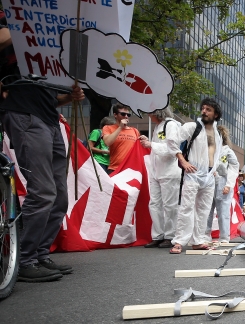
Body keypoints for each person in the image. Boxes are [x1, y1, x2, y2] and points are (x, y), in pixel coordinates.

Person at [0, 17, 84, 282]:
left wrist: (69, 97)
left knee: (59, 196)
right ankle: (24, 260)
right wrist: (29, 25)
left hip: (49, 120)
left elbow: (49, 96)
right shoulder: (12, 17)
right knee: (44, 191)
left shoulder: (46, 52)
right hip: (24, 115)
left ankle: (39, 254)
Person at [168, 98, 223, 254]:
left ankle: (197, 240)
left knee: (204, 210)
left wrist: (214, 171)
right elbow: (172, 141)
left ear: (216, 114)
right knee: (186, 207)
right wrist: (183, 161)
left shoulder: (218, 134)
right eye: (203, 108)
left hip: (209, 176)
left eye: (208, 109)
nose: (204, 111)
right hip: (193, 173)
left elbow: (216, 155)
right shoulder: (193, 127)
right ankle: (179, 241)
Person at [138, 108, 181, 249]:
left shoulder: (171, 125)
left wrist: (151, 144)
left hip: (169, 171)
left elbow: (172, 149)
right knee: (155, 204)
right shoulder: (158, 127)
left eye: (150, 112)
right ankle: (158, 235)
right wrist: (149, 142)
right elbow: (160, 147)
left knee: (170, 205)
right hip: (156, 171)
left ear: (158, 112)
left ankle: (170, 235)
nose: (148, 115)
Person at [207, 126, 239, 243]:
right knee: (207, 211)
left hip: (223, 184)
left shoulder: (227, 151)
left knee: (223, 211)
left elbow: (234, 168)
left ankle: (224, 237)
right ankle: (205, 235)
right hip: (209, 184)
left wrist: (229, 184)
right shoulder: (209, 149)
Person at [103, 103, 141, 174]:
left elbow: (139, 149)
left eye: (128, 115)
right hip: (115, 169)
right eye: (123, 114)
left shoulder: (134, 131)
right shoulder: (108, 128)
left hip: (131, 169)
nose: (126, 116)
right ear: (115, 115)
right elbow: (107, 142)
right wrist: (120, 127)